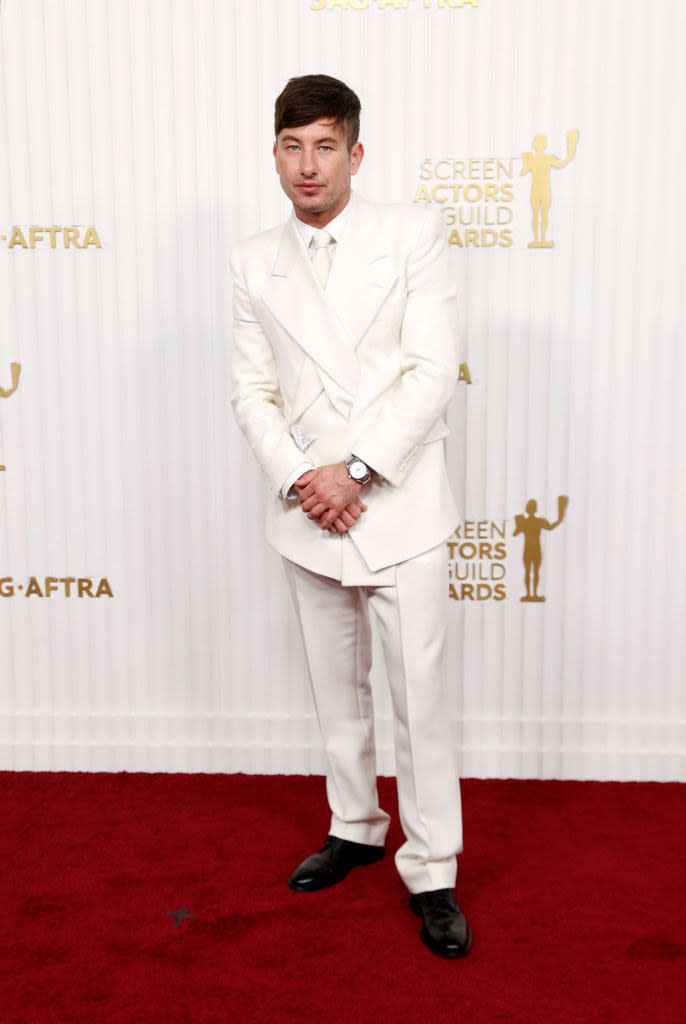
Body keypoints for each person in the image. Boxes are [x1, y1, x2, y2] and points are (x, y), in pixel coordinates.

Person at [230, 74, 471, 959]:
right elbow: (251, 390)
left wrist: (356, 470)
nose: (308, 164)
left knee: (421, 698)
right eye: (292, 146)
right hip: (309, 512)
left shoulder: (414, 233)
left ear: (355, 154)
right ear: (275, 154)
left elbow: (433, 368)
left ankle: (433, 866)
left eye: (325, 145)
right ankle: (354, 826)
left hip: (395, 501)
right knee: (336, 693)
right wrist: (304, 479)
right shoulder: (253, 257)